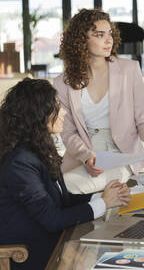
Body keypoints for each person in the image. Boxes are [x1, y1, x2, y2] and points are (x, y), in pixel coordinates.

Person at [0, 78, 130, 269]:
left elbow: (63, 199)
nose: (64, 112)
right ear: (39, 114)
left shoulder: (38, 149)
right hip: (29, 252)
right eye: (57, 107)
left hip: (51, 240)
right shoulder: (20, 161)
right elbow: (52, 219)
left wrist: (103, 196)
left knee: (110, 248)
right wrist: (103, 203)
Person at [54, 8, 144, 194]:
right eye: (99, 35)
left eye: (110, 34)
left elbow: (143, 118)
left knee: (70, 187)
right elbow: (68, 133)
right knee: (58, 187)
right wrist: (86, 157)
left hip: (122, 155)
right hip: (83, 155)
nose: (109, 40)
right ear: (81, 40)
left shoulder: (129, 70)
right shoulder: (62, 82)